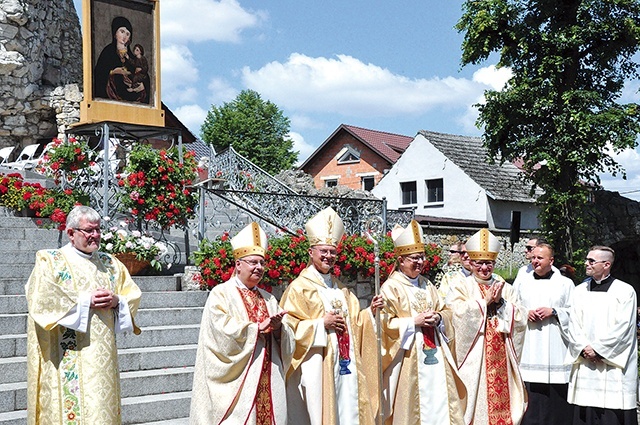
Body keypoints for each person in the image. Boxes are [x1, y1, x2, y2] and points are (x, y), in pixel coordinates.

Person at [25, 205, 142, 424]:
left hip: (102, 359)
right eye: (89, 231)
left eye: (98, 230)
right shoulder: (50, 261)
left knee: (101, 410)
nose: (95, 235)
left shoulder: (110, 264)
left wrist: (118, 301)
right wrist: (84, 301)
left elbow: (132, 294)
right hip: (67, 356)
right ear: (71, 233)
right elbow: (41, 299)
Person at [279, 207, 383, 425]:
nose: (328, 256)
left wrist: (370, 313)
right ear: (311, 252)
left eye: (332, 252)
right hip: (319, 368)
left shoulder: (341, 289)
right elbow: (287, 330)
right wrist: (320, 325)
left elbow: (356, 323)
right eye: (323, 251)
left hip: (346, 365)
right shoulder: (299, 288)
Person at [190, 222, 295, 425]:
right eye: (253, 262)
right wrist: (256, 329)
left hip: (269, 375)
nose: (259, 268)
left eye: (262, 263)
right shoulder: (221, 294)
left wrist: (279, 329)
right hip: (240, 383)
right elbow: (219, 331)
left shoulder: (269, 298)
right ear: (238, 264)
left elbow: (287, 336)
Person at [378, 221, 467, 424]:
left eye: (421, 257)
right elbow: (383, 325)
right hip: (408, 359)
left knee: (440, 401)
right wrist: (413, 322)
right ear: (401, 260)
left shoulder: (427, 284)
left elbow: (445, 311)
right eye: (414, 258)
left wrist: (439, 318)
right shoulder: (391, 287)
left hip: (435, 354)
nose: (419, 262)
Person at [446, 228, 528, 425]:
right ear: (471, 263)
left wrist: (500, 303)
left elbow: (522, 317)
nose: (484, 267)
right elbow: (454, 313)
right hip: (475, 355)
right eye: (479, 263)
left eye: (488, 263)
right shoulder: (461, 286)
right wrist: (484, 302)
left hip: (501, 353)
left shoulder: (506, 288)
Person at [566, 246, 638, 425]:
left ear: (606, 264)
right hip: (586, 361)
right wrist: (583, 348)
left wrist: (598, 350)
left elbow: (624, 328)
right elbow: (572, 323)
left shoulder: (625, 291)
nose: (586, 264)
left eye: (591, 261)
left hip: (613, 365)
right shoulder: (579, 290)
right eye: (587, 260)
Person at [513, 243, 575, 424]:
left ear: (551, 260)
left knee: (555, 400)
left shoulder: (565, 283)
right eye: (533, 257)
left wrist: (555, 312)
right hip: (530, 347)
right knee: (532, 395)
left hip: (555, 346)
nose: (535, 261)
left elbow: (576, 313)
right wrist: (525, 312)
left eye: (540, 258)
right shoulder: (522, 283)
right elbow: (512, 307)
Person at [94, 16, 149, 103]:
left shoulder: (132, 56)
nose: (124, 36)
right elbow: (99, 74)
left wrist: (142, 86)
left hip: (131, 96)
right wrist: (114, 72)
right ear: (115, 34)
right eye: (122, 32)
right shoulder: (108, 52)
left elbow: (143, 75)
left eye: (127, 34)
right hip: (112, 95)